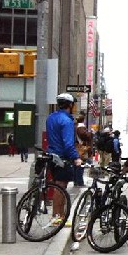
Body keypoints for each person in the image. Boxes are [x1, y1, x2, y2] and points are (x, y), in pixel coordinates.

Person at [45, 93, 83, 225]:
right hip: (62, 158)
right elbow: (68, 144)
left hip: (51, 155)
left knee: (58, 185)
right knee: (61, 186)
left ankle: (59, 215)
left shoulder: (51, 118)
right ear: (70, 105)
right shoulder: (66, 121)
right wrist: (76, 157)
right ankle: (57, 216)